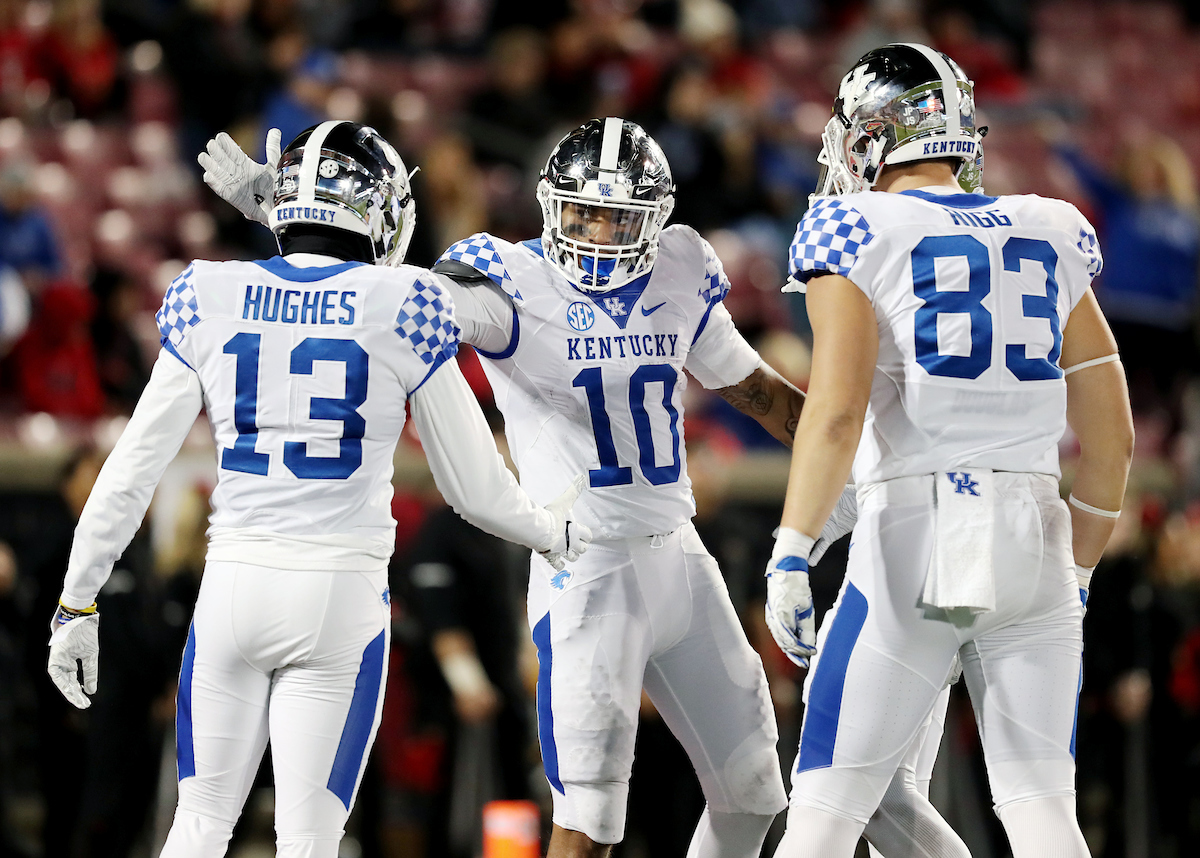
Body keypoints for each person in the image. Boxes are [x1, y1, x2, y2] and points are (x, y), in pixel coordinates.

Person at [205, 116, 833, 858]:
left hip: (681, 557)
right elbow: (392, 298)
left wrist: (855, 459)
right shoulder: (508, 283)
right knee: (587, 828)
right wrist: (301, 224)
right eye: (581, 212)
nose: (596, 233)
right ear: (549, 205)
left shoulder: (679, 269)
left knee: (756, 792)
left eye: (616, 216)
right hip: (588, 570)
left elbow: (759, 392)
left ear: (655, 218)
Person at [46, 120, 592, 858]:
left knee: (198, 824)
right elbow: (475, 489)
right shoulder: (407, 300)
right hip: (340, 592)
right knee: (309, 840)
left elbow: (132, 467)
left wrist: (76, 600)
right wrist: (553, 532)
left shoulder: (209, 289)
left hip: (234, 582)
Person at [762, 44, 1134, 858]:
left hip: (920, 531)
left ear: (870, 135)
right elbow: (1114, 434)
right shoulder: (1047, 225)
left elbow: (836, 412)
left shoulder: (853, 226)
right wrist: (1077, 570)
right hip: (1036, 531)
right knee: (1043, 812)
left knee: (825, 811)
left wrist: (791, 548)